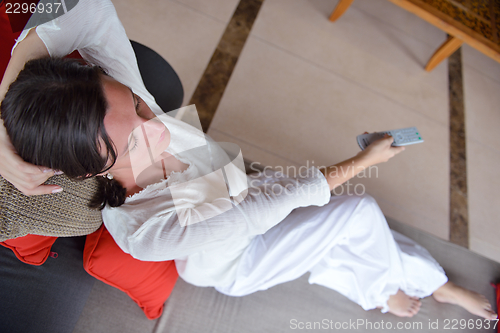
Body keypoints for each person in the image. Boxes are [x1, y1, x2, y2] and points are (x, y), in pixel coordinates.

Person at [0, 0, 496, 320]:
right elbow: (266, 206)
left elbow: (82, 5)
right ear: (90, 170)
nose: (159, 128)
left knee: (329, 233)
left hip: (236, 193)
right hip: (239, 261)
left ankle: (382, 287)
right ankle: (437, 287)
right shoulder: (144, 230)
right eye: (133, 143)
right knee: (357, 212)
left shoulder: (123, 90)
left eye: (138, 105)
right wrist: (366, 159)